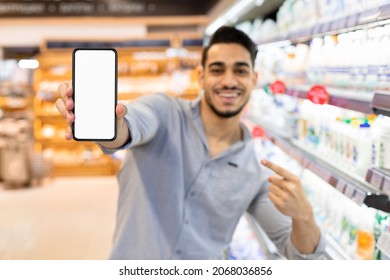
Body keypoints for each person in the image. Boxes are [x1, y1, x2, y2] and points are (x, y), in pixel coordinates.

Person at [55, 26, 326, 260]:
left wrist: (304, 217)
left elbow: (298, 254)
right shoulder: (164, 113)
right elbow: (128, 127)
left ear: (254, 79)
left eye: (240, 71)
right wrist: (107, 123)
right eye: (217, 70)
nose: (229, 81)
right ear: (201, 77)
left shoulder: (256, 174)